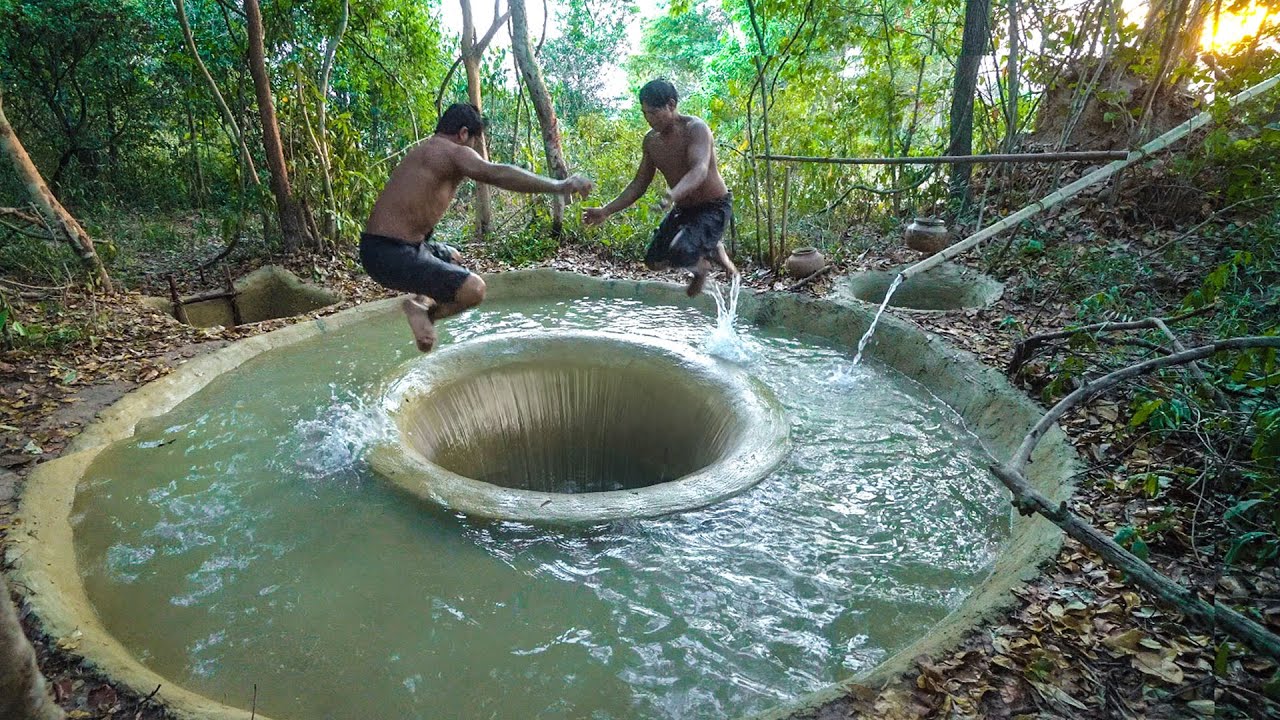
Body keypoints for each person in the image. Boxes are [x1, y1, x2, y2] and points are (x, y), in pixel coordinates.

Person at [361, 103, 593, 352]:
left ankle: (420, 302)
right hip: (392, 253)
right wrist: (560, 185)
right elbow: (498, 173)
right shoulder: (453, 151)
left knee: (453, 257)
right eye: (473, 142)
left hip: (381, 249)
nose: (473, 150)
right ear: (463, 134)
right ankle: (424, 313)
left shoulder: (424, 151)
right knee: (474, 290)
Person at [582, 79, 737, 297]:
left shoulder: (695, 129)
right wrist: (606, 210)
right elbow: (639, 184)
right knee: (654, 261)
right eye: (645, 113)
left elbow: (699, 171)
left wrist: (673, 194)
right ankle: (712, 248)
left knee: (683, 251)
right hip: (684, 210)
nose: (649, 119)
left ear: (671, 105)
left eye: (654, 113)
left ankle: (703, 267)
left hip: (712, 207)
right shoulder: (651, 141)